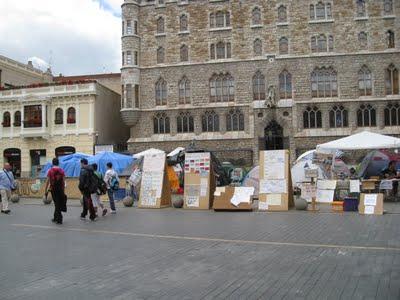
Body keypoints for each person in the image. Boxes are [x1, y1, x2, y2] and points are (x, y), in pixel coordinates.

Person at [44, 158, 66, 224]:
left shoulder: (50, 171)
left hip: (53, 189)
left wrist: (45, 190)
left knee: (56, 203)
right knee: (58, 203)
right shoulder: (62, 171)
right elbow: (64, 182)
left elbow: (47, 181)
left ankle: (59, 219)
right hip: (60, 189)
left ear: (52, 163)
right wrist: (63, 190)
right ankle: (55, 217)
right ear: (58, 163)